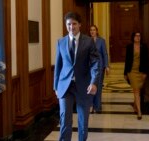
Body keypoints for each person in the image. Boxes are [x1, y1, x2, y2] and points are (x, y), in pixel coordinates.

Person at [54, 12, 100, 141]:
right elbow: (58, 66)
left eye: (74, 24)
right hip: (64, 86)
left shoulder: (89, 41)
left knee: (83, 122)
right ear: (65, 25)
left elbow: (95, 63)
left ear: (80, 24)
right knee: (65, 120)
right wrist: (56, 86)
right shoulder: (61, 42)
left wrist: (94, 82)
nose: (71, 27)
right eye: (69, 24)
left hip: (84, 86)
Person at [124, 32, 149, 120]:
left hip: (141, 71)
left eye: (139, 36)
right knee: (136, 90)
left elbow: (146, 60)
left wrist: (145, 72)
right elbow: (127, 60)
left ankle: (135, 106)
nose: (138, 37)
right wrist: (125, 73)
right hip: (132, 71)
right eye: (136, 36)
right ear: (133, 37)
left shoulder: (144, 47)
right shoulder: (129, 47)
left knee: (137, 90)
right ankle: (139, 111)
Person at [89, 25, 110, 113]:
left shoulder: (101, 41)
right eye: (91, 30)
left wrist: (107, 66)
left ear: (97, 31)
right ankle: (91, 105)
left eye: (94, 30)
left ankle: (97, 106)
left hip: (100, 67)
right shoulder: (87, 41)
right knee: (90, 86)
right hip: (90, 67)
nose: (92, 31)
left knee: (98, 87)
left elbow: (105, 54)